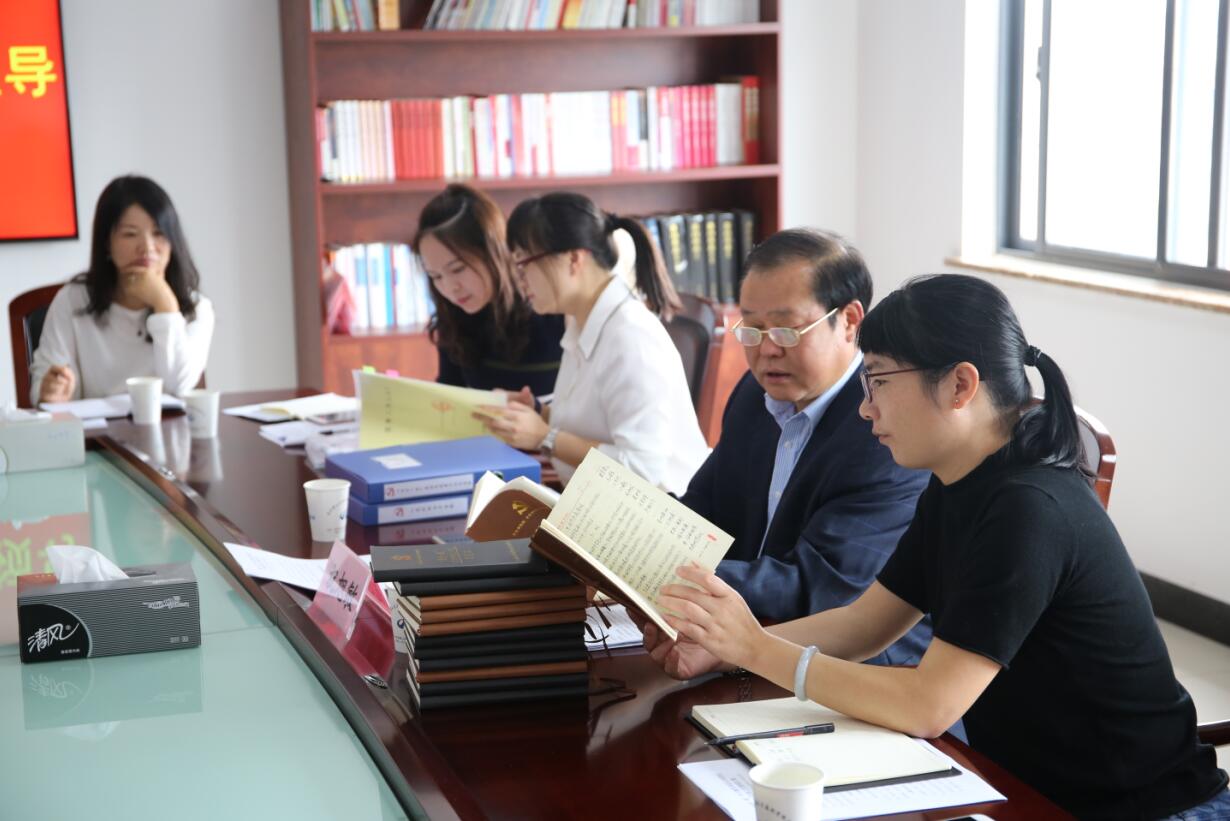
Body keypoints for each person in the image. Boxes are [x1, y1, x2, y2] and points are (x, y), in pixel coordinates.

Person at [644, 274, 1229, 820]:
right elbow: (864, 625)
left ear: (960, 385)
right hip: (1024, 789)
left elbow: (928, 705)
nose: (865, 407)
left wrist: (756, 648)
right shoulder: (957, 482)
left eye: (878, 382)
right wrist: (728, 649)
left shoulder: (1028, 509)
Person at [678, 229, 931, 661]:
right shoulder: (754, 396)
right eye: (752, 329)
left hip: (858, 667)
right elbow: (701, 512)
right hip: (749, 635)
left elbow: (822, 584)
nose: (766, 350)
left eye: (786, 330)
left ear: (849, 321)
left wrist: (673, 575)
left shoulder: (886, 430)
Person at [478, 191, 709, 495]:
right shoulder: (580, 322)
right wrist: (537, 412)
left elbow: (641, 470)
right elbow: (598, 425)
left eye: (524, 263)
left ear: (573, 259)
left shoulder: (630, 337)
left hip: (657, 513)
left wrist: (545, 437)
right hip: (597, 504)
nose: (519, 280)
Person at [31, 175, 214, 405]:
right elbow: (45, 385)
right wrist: (51, 393)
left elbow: (179, 387)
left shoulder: (197, 307)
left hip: (167, 429)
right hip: (94, 429)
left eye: (159, 233)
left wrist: (165, 305)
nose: (147, 247)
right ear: (106, 243)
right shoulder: (73, 300)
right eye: (130, 234)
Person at [413, 184, 564, 397]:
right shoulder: (454, 319)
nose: (450, 288)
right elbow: (449, 395)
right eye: (435, 276)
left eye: (457, 269)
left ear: (494, 253)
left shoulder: (552, 310)